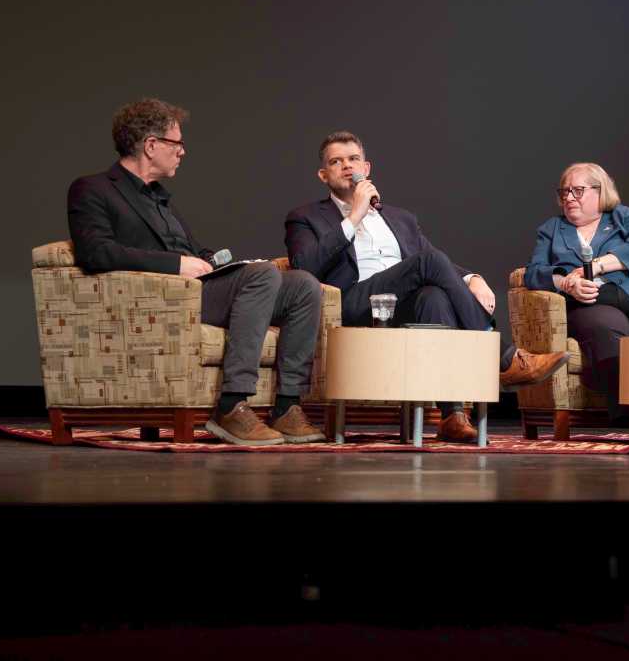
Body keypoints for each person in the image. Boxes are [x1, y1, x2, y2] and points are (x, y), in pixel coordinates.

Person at [68, 98, 325, 446]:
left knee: (303, 286)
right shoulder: (93, 189)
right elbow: (96, 253)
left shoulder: (160, 199)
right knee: (263, 275)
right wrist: (176, 265)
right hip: (166, 299)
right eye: (177, 143)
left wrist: (215, 261)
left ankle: (286, 405)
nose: (182, 152)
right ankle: (232, 405)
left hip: (200, 290)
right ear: (151, 145)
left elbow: (190, 250)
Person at [284, 131, 569, 443]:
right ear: (324, 175)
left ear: (367, 167)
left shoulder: (399, 217)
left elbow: (436, 262)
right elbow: (304, 268)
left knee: (434, 297)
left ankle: (452, 416)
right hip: (355, 303)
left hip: (403, 303)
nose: (347, 167)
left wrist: (471, 278)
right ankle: (502, 357)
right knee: (428, 264)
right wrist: (354, 217)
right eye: (336, 162)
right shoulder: (305, 217)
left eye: (353, 159)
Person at [523, 162, 629, 445]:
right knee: (605, 327)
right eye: (564, 192)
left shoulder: (624, 217)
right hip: (592, 300)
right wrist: (566, 282)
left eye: (577, 191)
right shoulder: (552, 229)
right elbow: (533, 272)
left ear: (601, 192)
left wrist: (598, 266)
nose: (569, 198)